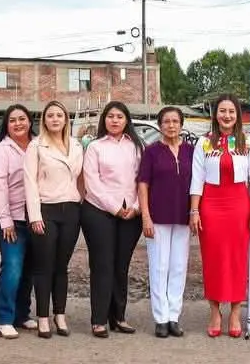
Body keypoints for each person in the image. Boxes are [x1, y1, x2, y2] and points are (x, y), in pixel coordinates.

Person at [189, 93, 250, 339]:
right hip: (211, 208)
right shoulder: (205, 143)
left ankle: (235, 311)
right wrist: (194, 211)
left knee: (236, 260)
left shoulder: (248, 142)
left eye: (231, 111)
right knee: (212, 260)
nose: (227, 116)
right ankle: (214, 311)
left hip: (238, 208)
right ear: (215, 115)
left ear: (237, 115)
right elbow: (197, 180)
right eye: (222, 111)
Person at [82, 101, 145, 338]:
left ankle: (118, 316)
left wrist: (137, 208)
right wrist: (115, 208)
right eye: (110, 116)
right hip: (99, 212)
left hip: (132, 215)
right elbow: (92, 182)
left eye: (119, 116)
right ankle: (98, 320)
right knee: (102, 266)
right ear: (104, 120)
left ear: (126, 120)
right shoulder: (95, 147)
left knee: (121, 267)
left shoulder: (138, 147)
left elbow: (144, 181)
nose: (115, 120)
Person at [25, 100, 83, 339]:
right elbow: (29, 182)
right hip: (45, 211)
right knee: (44, 267)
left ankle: (60, 314)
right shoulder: (36, 145)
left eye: (60, 115)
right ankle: (42, 317)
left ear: (66, 119)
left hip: (71, 210)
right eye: (50, 115)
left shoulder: (77, 145)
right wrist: (34, 216)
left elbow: (82, 180)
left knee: (62, 266)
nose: (55, 119)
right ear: (44, 120)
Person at [137, 106, 194, 338]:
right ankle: (160, 318)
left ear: (181, 124)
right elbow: (142, 185)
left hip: (183, 216)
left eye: (175, 121)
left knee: (179, 267)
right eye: (166, 122)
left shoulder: (192, 151)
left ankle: (174, 316)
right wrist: (146, 216)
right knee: (159, 267)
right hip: (158, 217)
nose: (171, 125)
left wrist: (196, 212)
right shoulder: (151, 152)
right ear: (160, 125)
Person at [0, 104, 36, 338]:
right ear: (7, 125)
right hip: (13, 219)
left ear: (30, 121)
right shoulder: (1, 151)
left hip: (37, 218)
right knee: (13, 268)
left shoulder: (39, 145)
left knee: (29, 270)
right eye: (12, 120)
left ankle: (21, 314)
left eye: (22, 119)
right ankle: (3, 317)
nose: (18, 123)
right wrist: (5, 220)